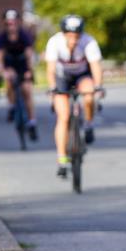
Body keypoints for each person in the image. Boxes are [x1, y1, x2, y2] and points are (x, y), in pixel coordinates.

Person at [45, 15, 104, 178]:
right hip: (62, 77)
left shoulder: (89, 42)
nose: (73, 39)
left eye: (76, 36)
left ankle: (89, 124)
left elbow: (96, 67)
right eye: (69, 35)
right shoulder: (54, 42)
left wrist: (98, 87)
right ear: (63, 34)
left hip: (82, 75)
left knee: (89, 95)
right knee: (63, 116)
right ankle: (62, 159)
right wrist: (52, 89)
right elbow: (50, 70)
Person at [0, 9, 38, 140]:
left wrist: (29, 71)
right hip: (10, 65)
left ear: (17, 23)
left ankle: (32, 122)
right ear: (5, 24)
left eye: (13, 23)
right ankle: (12, 106)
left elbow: (29, 54)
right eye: (8, 24)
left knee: (27, 91)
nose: (11, 26)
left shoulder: (24, 35)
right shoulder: (2, 37)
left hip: (22, 64)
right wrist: (1, 71)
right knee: (10, 79)